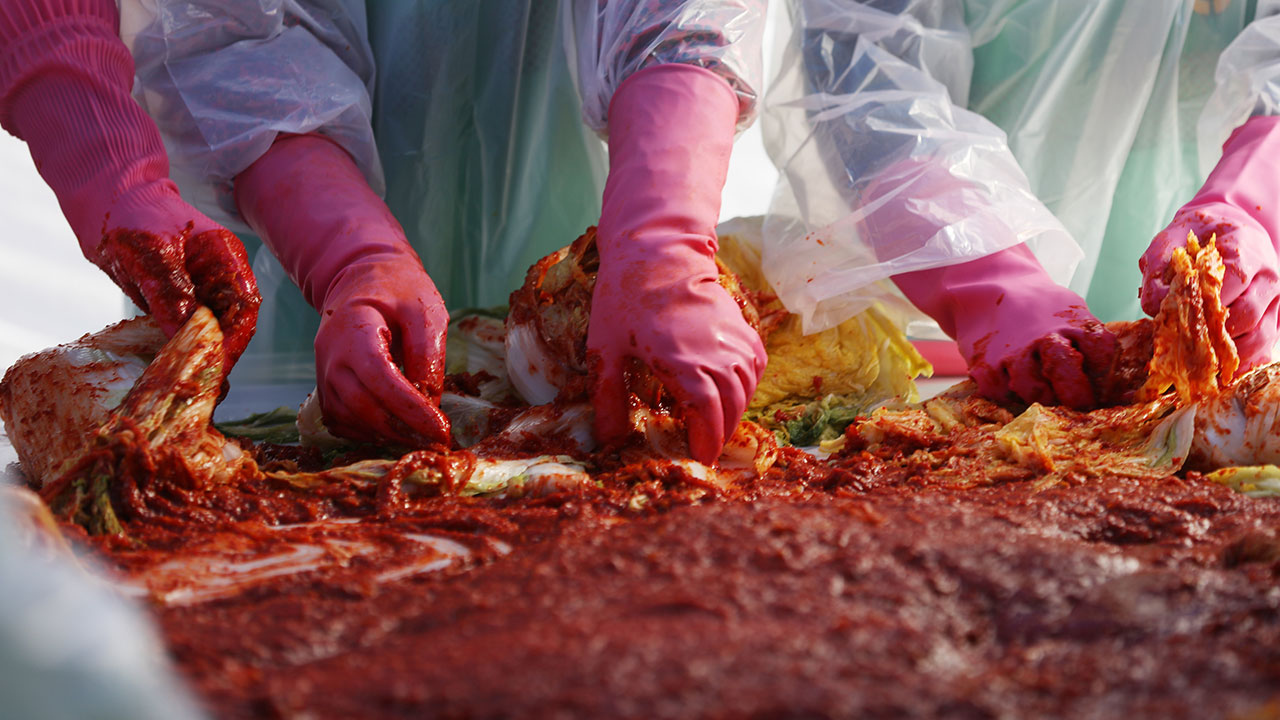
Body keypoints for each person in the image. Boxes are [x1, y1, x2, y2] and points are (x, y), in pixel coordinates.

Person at [0, 1, 768, 464]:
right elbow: (238, 36)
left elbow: (681, 15)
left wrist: (660, 237)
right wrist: (349, 258)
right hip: (307, 288)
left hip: (585, 252)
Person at [762, 0, 1280, 409]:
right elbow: (863, 79)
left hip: (1182, 343)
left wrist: (1251, 202)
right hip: (930, 341)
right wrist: (984, 280)